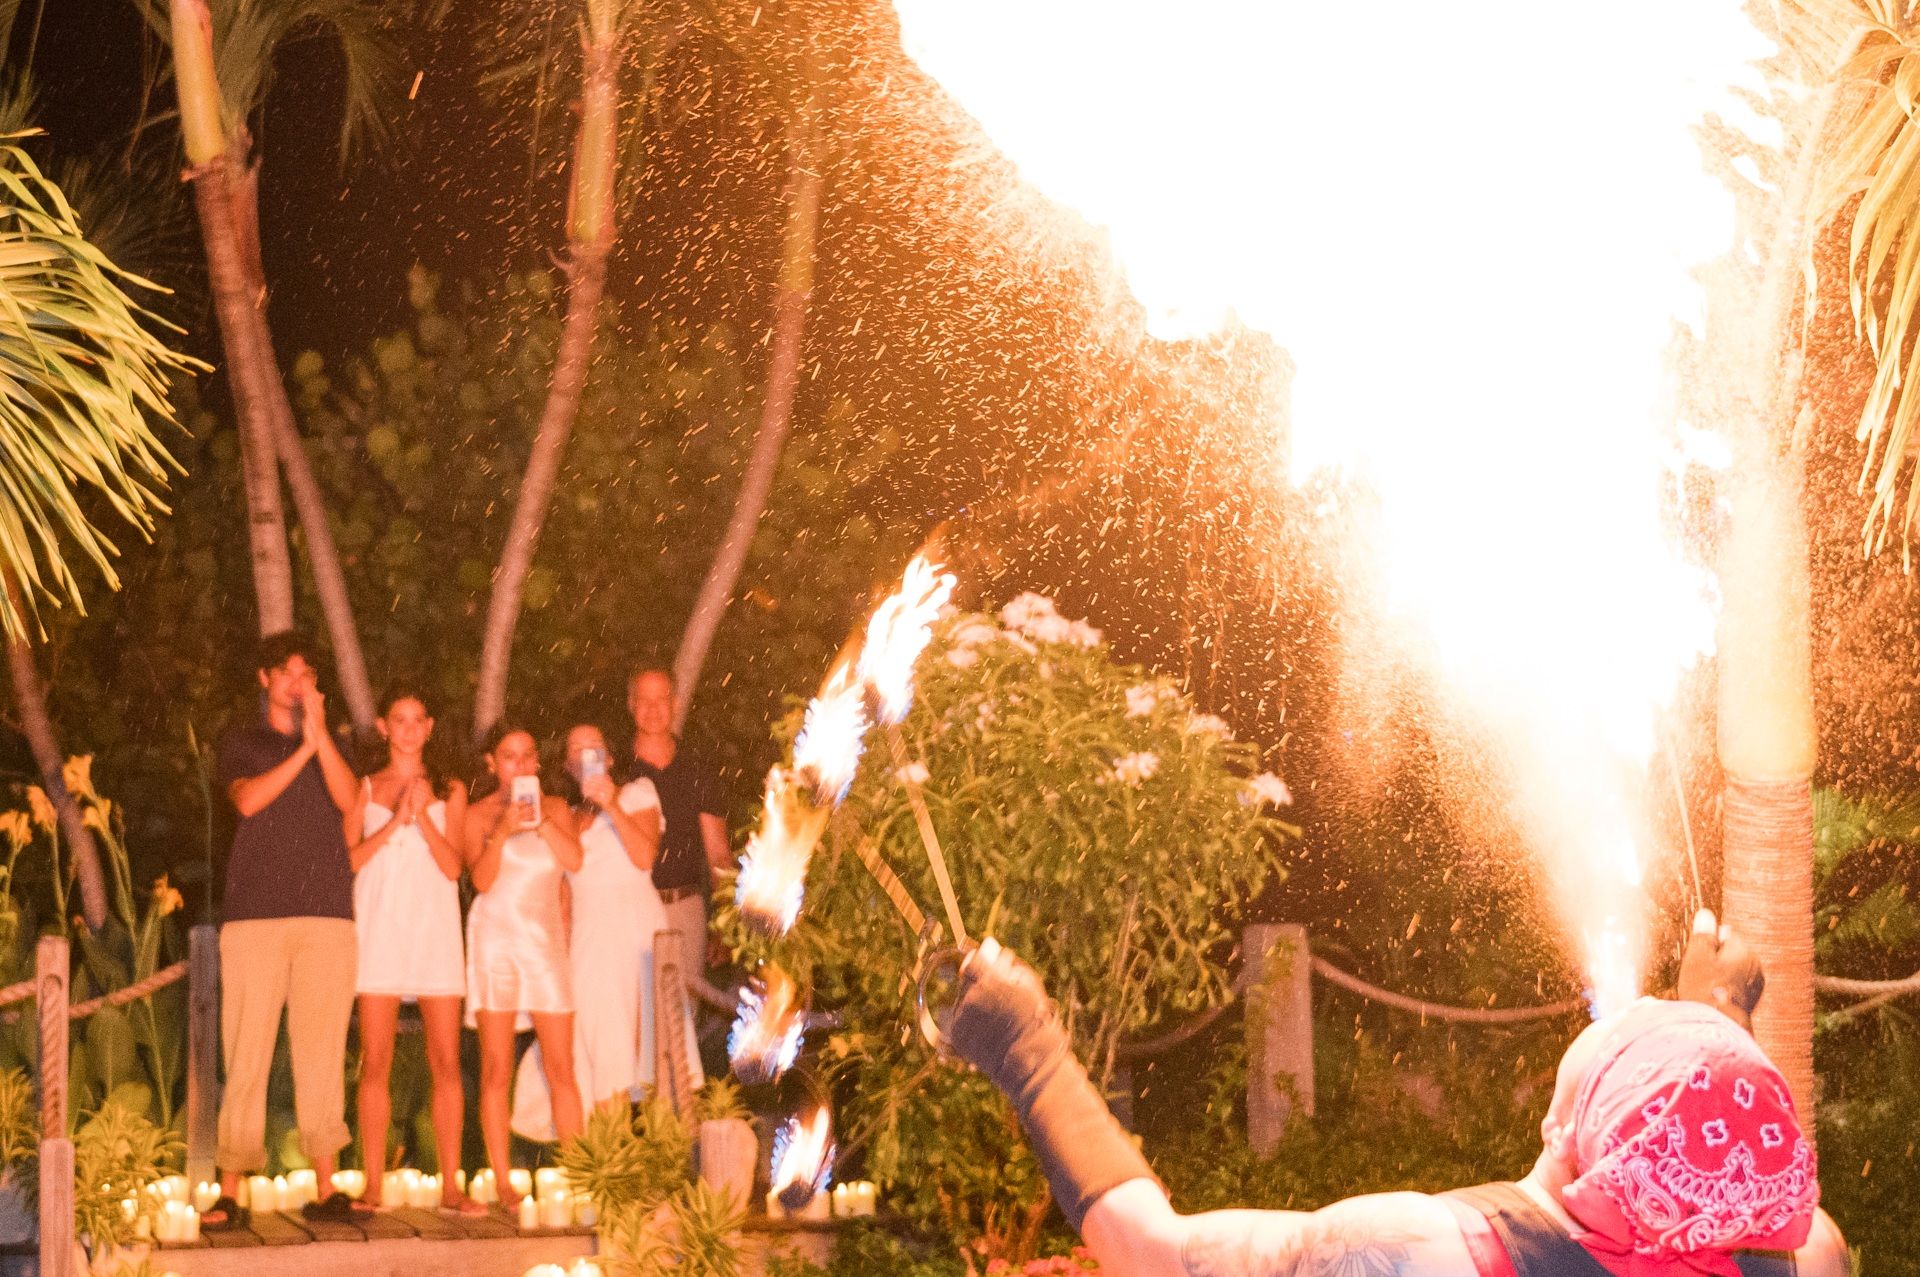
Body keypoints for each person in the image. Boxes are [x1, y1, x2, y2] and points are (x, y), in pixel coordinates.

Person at [943, 912, 1849, 1277]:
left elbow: (1151, 1250)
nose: (1644, 1003)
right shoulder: (1808, 1256)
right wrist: (1717, 1012)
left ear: (1567, 1119)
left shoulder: (1423, 1252)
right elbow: (1714, 1148)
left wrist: (1026, 1046)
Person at [207, 632, 363, 1227]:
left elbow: (350, 803)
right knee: (245, 1051)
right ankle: (230, 1191)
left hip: (325, 914)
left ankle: (327, 1188)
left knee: (321, 1053)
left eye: (307, 671)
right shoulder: (244, 742)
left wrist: (320, 739)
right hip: (255, 916)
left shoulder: (334, 744)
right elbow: (249, 802)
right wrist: (303, 749)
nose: (298, 681)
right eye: (286, 671)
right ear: (265, 680)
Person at [511, 723, 704, 1140]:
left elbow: (643, 857)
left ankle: (661, 1162)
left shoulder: (637, 792)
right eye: (575, 750)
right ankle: (607, 1165)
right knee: (601, 1049)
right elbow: (559, 884)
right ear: (566, 764)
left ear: (610, 757)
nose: (585, 757)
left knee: (654, 1051)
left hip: (637, 930)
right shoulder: (565, 813)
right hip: (589, 938)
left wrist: (611, 803)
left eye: (594, 748)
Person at [345, 687, 482, 1213]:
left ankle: (451, 1186)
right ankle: (374, 1184)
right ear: (384, 727)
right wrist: (395, 821)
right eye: (397, 719)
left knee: (445, 1061)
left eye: (416, 720)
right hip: (379, 930)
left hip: (434, 933)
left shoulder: (450, 788)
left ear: (429, 727)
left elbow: (454, 868)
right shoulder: (364, 786)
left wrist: (422, 817)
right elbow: (350, 861)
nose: (406, 729)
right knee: (374, 1061)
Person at [460, 723, 586, 1207]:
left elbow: (573, 863)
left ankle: (578, 1176)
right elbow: (483, 881)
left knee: (562, 1067)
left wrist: (542, 824)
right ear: (492, 763)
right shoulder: (477, 815)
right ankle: (503, 1179)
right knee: (496, 1068)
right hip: (496, 944)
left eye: (527, 755)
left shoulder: (555, 807)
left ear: (537, 761)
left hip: (545, 945)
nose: (520, 765)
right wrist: (505, 830)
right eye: (508, 756)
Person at [620, 669, 732, 973]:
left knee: (680, 1015)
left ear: (677, 703)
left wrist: (724, 925)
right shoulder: (616, 769)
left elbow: (718, 854)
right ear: (631, 704)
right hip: (627, 908)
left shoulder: (696, 770)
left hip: (684, 909)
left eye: (662, 699)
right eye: (644, 700)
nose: (653, 709)